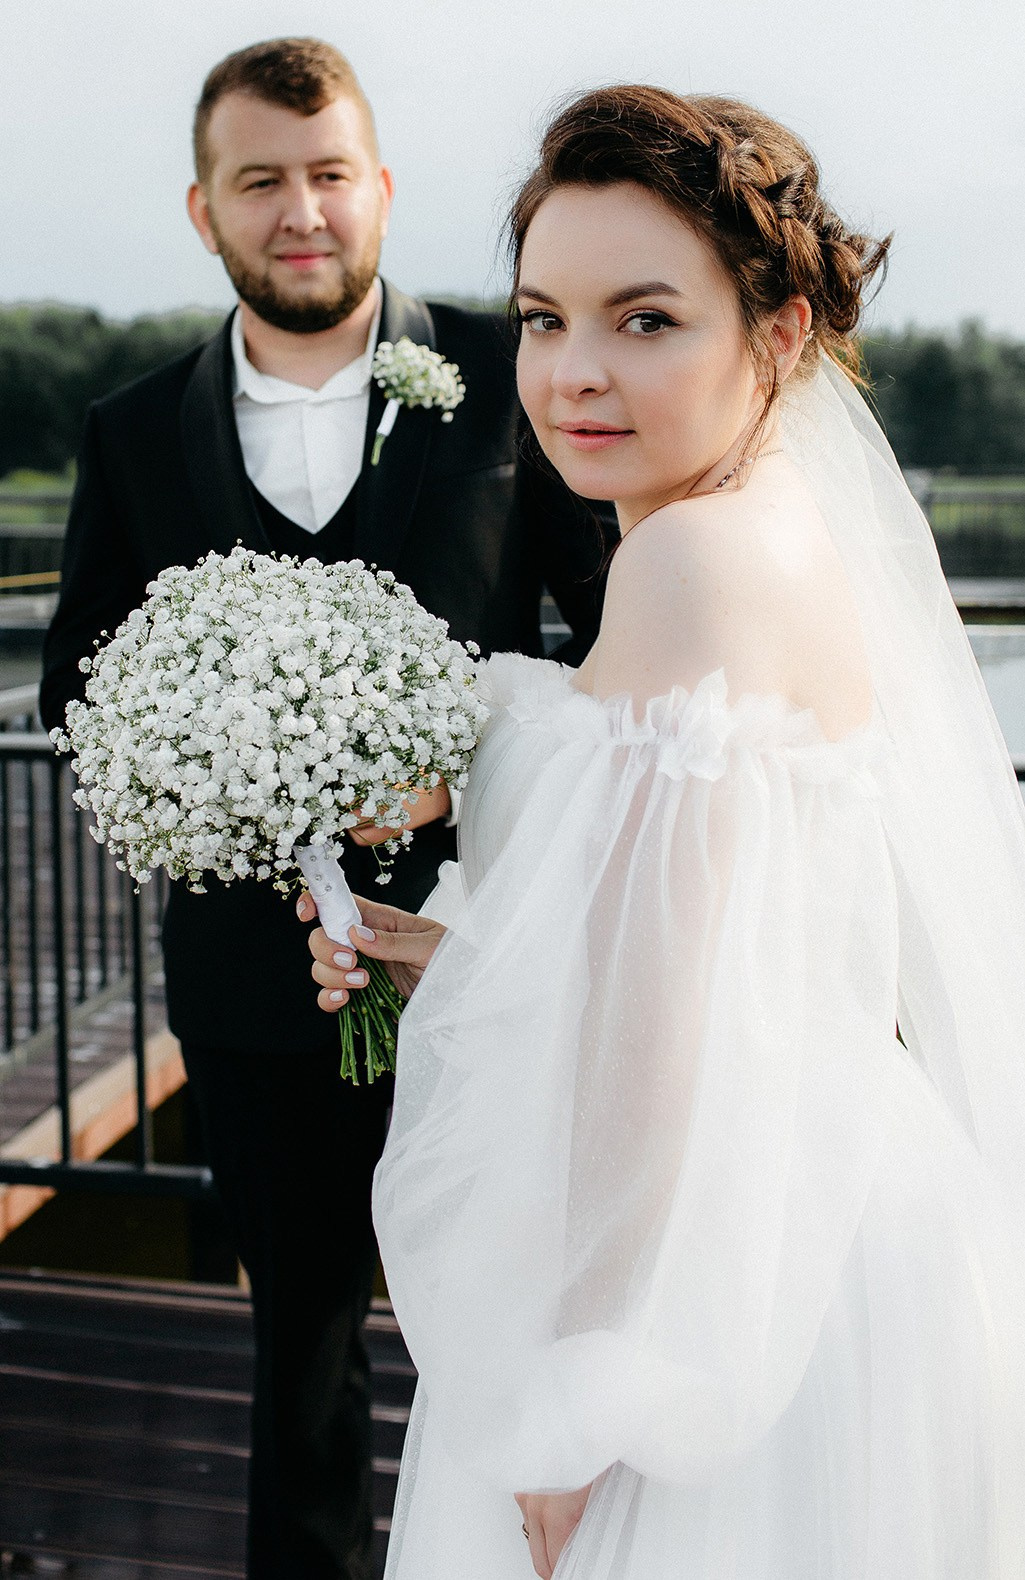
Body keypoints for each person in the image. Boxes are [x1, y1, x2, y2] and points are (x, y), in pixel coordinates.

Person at [307, 87, 1025, 1578]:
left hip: (722, 1271)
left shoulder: (693, 560)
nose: (575, 371)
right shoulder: (763, 524)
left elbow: (663, 1032)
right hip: (818, 1203)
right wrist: (451, 958)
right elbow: (706, 942)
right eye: (542, 319)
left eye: (644, 320)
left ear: (778, 335)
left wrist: (581, 1386)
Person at [39, 38, 613, 1580]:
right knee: (298, 1345)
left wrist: (466, 768)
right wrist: (228, 771)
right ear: (204, 207)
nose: (300, 211)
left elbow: (617, 649)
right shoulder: (131, 428)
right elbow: (74, 684)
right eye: (260, 181)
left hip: (492, 955)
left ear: (379, 188)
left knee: (530, 1321)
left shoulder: (514, 375)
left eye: (328, 174)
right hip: (246, 988)